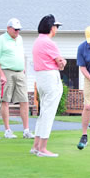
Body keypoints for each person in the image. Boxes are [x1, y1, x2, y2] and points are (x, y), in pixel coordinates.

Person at [0, 18, 34, 139]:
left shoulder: (19, 39)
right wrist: (1, 74)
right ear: (8, 28)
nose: (17, 32)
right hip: (6, 72)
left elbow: (20, 54)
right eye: (15, 30)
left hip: (20, 73)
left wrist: (23, 67)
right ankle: (7, 131)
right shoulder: (1, 39)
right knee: (5, 100)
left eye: (19, 30)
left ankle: (26, 131)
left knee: (24, 100)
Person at [31, 14, 66, 157]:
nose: (57, 29)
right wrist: (63, 62)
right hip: (50, 77)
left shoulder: (37, 41)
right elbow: (60, 62)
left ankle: (36, 146)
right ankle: (42, 148)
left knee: (43, 112)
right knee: (48, 113)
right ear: (51, 28)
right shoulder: (49, 43)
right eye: (56, 26)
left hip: (40, 78)